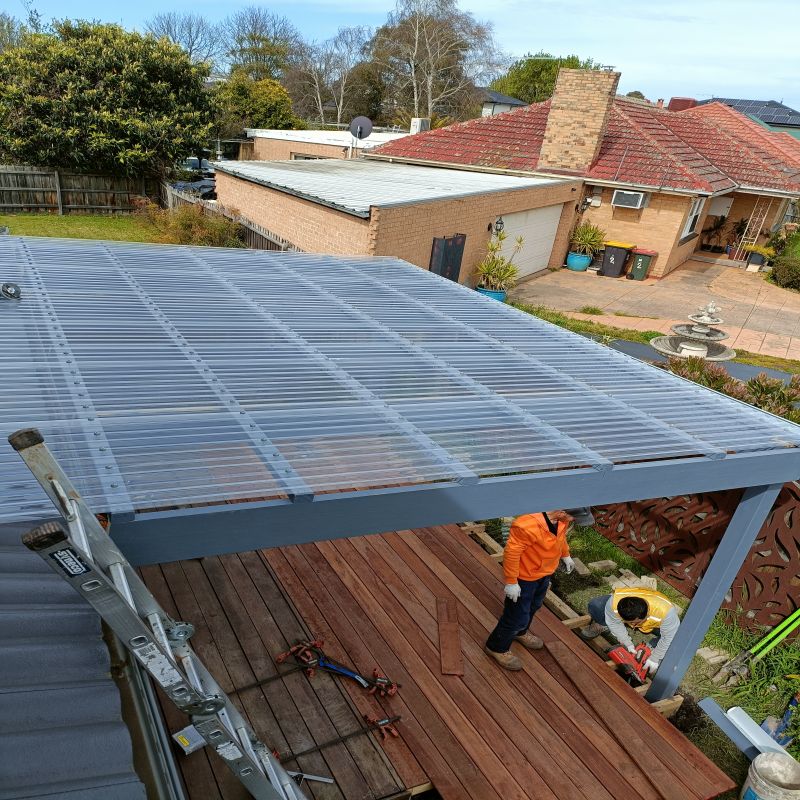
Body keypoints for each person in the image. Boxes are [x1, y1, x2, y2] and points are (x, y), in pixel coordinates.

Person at [485, 510, 575, 671]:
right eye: (573, 516)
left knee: (534, 605)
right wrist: (511, 582)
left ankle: (520, 632)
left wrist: (565, 554)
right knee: (516, 615)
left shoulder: (562, 520)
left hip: (544, 574)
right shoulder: (526, 526)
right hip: (524, 578)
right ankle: (496, 647)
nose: (573, 520)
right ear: (561, 511)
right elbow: (512, 553)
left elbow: (560, 537)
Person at [581, 587, 681, 675]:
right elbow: (614, 623)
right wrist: (627, 643)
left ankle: (651, 648)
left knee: (677, 636)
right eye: (630, 622)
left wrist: (655, 657)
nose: (634, 625)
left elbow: (669, 636)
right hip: (622, 613)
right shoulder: (614, 603)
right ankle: (603, 624)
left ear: (646, 615)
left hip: (657, 625)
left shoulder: (666, 612)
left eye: (636, 622)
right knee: (596, 604)